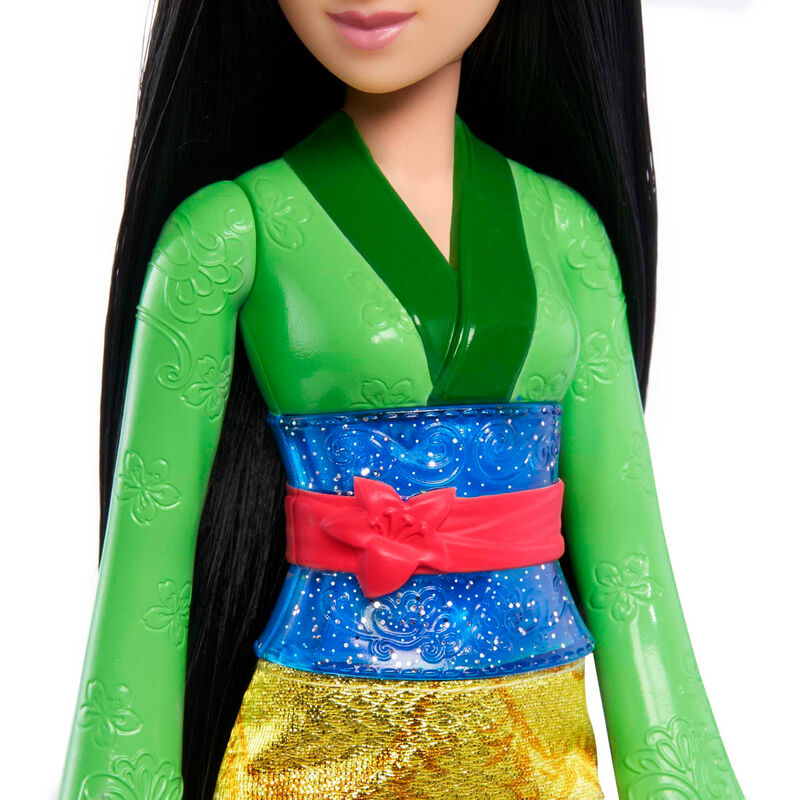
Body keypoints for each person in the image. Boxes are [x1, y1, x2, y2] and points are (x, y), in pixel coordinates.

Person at [60, 1, 744, 798]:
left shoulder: (565, 235)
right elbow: (145, 578)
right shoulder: (230, 233)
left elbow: (633, 574)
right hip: (316, 748)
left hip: (534, 755)